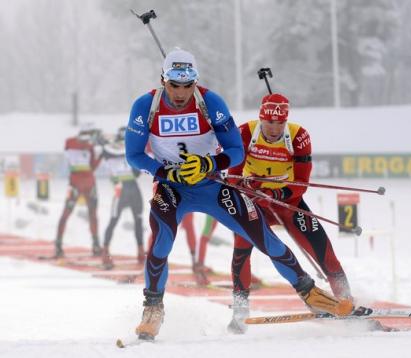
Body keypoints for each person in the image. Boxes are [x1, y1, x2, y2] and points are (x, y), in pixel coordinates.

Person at [125, 48, 354, 341]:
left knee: (262, 235)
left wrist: (209, 163)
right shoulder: (146, 105)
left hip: (210, 184)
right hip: (172, 187)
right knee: (161, 240)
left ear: (195, 82)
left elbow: (235, 151)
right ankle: (152, 309)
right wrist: (167, 172)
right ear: (163, 80)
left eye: (187, 85)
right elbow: (133, 155)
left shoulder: (210, 102)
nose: (181, 93)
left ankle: (309, 292)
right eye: (174, 85)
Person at [226, 93, 352, 333]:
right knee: (241, 250)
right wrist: (248, 186)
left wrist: (276, 194)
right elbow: (233, 178)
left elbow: (301, 183)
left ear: (286, 120)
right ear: (261, 118)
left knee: (324, 251)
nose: (274, 128)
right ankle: (240, 313)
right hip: (255, 202)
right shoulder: (244, 133)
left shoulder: (298, 136)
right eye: (269, 122)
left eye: (280, 122)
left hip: (288, 200)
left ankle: (347, 303)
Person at [54, 124, 103, 258]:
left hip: (88, 183)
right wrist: (92, 141)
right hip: (76, 184)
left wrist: (101, 154)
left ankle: (96, 245)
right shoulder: (71, 142)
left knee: (93, 215)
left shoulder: (90, 146)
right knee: (66, 213)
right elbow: (73, 144)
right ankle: (58, 244)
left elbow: (92, 167)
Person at [101, 126, 145, 269]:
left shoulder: (110, 150)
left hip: (124, 187)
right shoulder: (114, 150)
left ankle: (139, 252)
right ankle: (106, 252)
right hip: (126, 188)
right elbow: (137, 172)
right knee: (121, 220)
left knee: (132, 220)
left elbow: (137, 171)